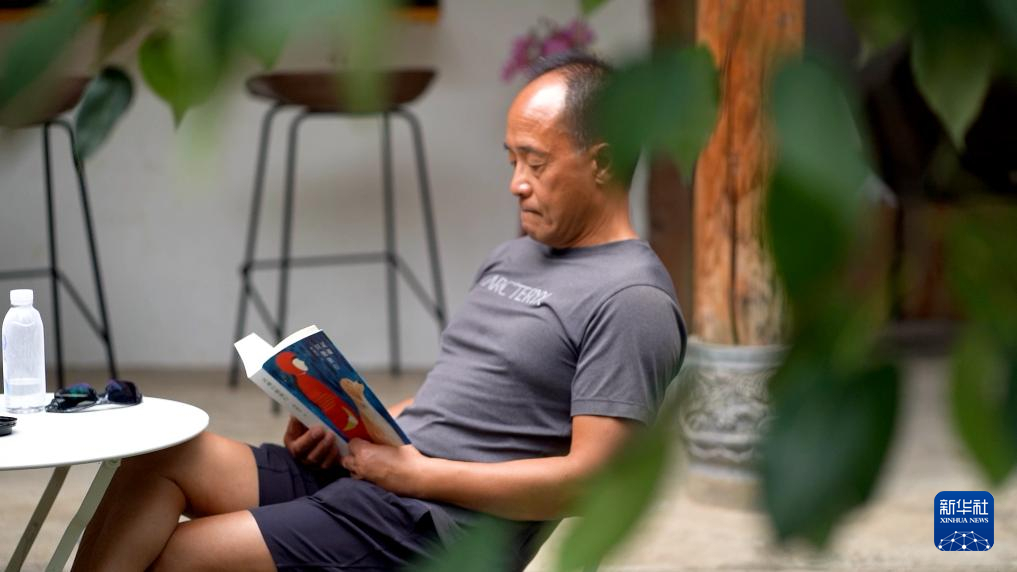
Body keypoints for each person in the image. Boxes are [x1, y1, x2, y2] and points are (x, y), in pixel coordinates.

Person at [70, 52, 687, 572]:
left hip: (432, 525)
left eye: (536, 162)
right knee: (162, 459)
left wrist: (415, 476)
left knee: (176, 558)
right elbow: (457, 404)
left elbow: (591, 483)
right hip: (386, 478)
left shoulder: (632, 299)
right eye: (512, 160)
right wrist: (348, 428)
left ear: (602, 162)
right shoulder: (517, 255)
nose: (516, 183)